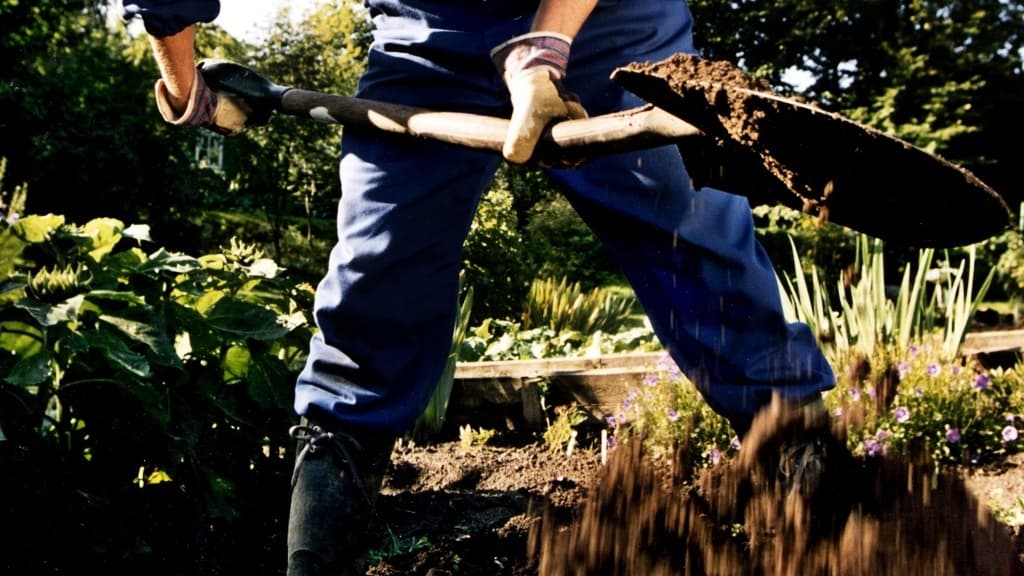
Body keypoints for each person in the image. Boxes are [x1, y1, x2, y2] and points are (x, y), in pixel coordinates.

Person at [122, 1, 837, 574]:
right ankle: (333, 482)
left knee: (685, 226)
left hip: (606, 24)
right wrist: (188, 90)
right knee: (380, 257)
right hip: (428, 31)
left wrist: (544, 50)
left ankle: (799, 451)